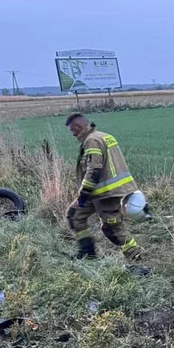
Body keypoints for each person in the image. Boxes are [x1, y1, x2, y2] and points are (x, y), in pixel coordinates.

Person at [65, 112, 143, 262]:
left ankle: (137, 263)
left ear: (79, 126)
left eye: (72, 130)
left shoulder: (91, 141)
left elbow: (94, 169)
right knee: (74, 215)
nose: (73, 134)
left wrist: (83, 193)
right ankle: (88, 254)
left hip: (107, 193)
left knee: (113, 227)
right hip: (99, 192)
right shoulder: (103, 136)